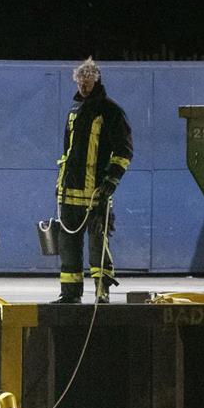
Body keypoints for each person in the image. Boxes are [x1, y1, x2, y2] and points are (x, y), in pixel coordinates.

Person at [53, 57, 133, 304]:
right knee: (68, 245)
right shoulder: (74, 111)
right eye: (80, 82)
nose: (83, 87)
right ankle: (70, 293)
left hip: (96, 192)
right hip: (69, 192)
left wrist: (110, 183)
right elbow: (67, 152)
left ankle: (102, 291)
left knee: (98, 243)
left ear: (97, 80)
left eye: (87, 82)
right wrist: (60, 185)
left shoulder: (110, 110)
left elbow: (124, 151)